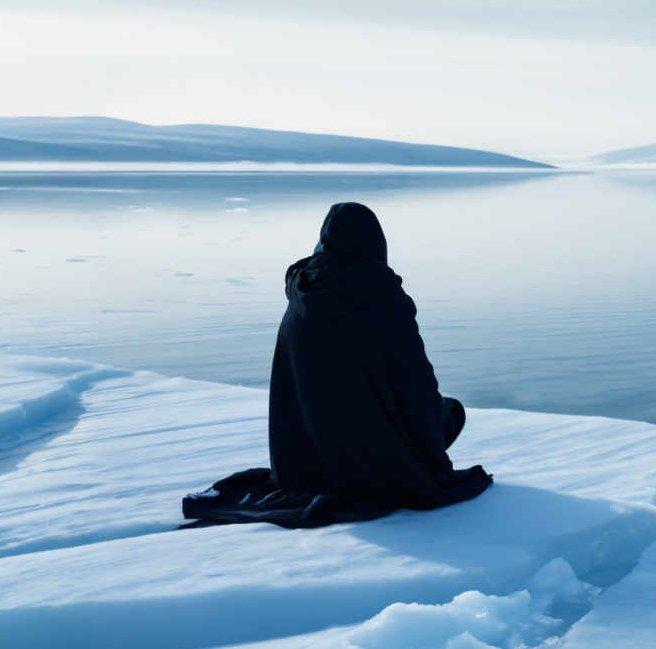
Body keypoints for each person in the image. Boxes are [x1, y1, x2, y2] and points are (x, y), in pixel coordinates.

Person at [181, 202, 491, 528]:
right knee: (451, 412)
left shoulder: (303, 294)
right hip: (376, 462)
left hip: (306, 461)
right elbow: (417, 385)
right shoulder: (385, 298)